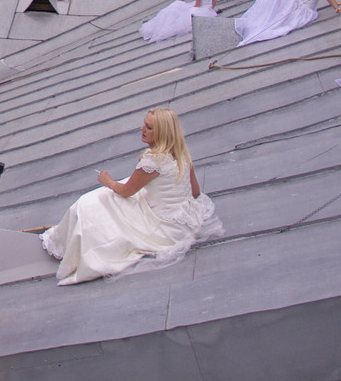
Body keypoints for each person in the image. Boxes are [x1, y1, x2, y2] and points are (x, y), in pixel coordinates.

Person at [41, 108, 221, 285]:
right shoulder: (181, 154)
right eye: (144, 124)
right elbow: (195, 192)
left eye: (149, 127)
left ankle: (67, 245)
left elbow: (126, 191)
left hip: (163, 225)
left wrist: (108, 181)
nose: (143, 129)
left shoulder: (153, 161)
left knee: (90, 203)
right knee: (112, 200)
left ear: (162, 133)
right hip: (184, 221)